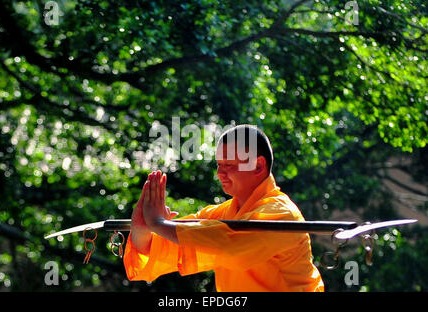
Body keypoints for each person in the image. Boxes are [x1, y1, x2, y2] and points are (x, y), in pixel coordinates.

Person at [124, 124, 324, 292]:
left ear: (258, 166)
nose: (220, 173)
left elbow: (231, 247)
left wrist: (158, 223)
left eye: (229, 164)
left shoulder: (281, 213)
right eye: (219, 164)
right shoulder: (223, 213)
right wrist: (143, 229)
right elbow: (166, 245)